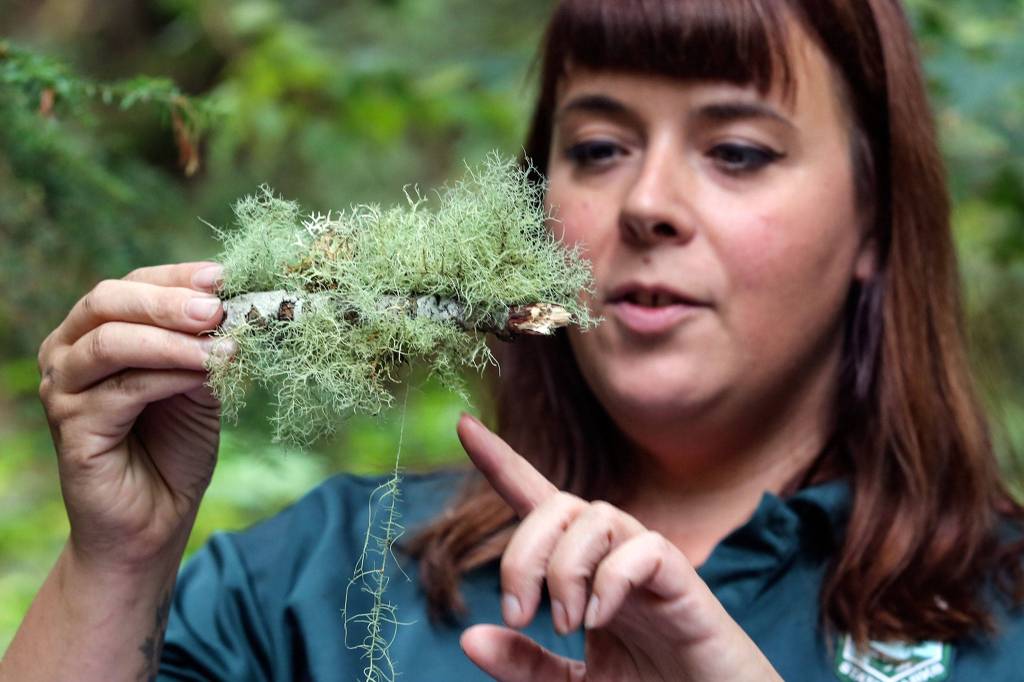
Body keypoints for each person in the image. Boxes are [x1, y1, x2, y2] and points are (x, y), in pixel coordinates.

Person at [3, 0, 1023, 680]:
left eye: (738, 150)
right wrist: (119, 564)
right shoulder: (316, 583)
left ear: (876, 224)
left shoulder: (1000, 615)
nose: (648, 204)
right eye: (598, 147)